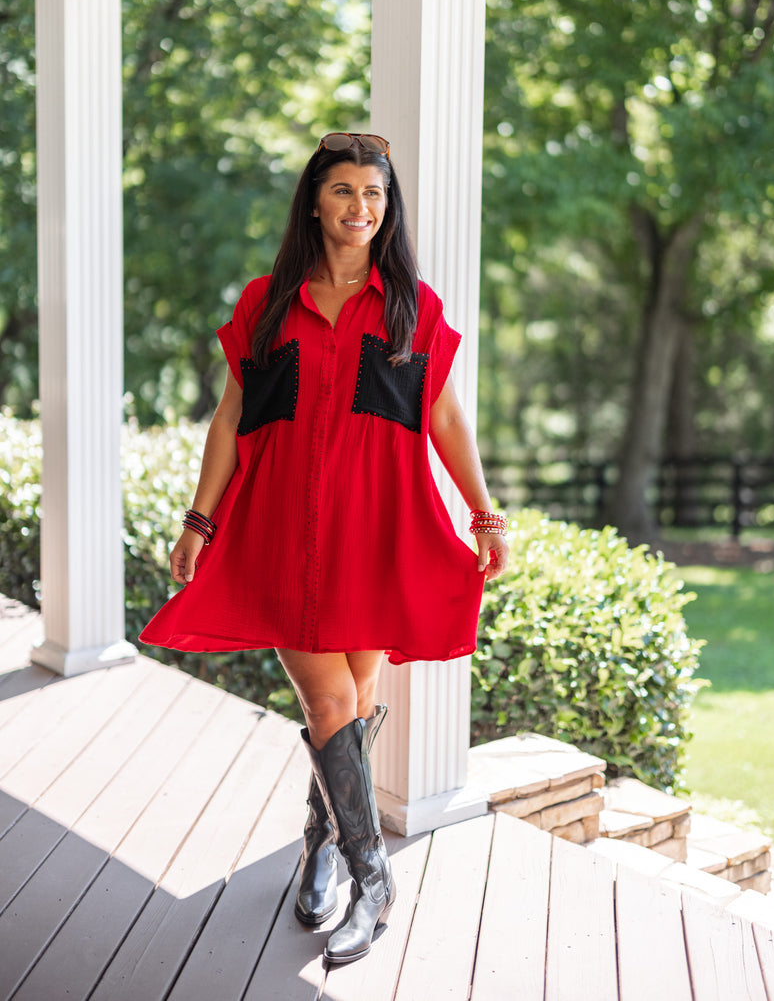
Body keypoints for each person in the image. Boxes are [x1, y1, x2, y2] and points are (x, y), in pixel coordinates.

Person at [140, 132, 508, 965]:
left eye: (374, 195)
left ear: (389, 208)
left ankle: (321, 842)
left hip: (374, 533)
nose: (360, 208)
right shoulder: (266, 303)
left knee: (353, 697)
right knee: (329, 702)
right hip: (281, 530)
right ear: (315, 201)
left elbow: (445, 418)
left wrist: (485, 515)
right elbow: (232, 419)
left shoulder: (412, 306)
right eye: (343, 191)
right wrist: (198, 522)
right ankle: (374, 883)